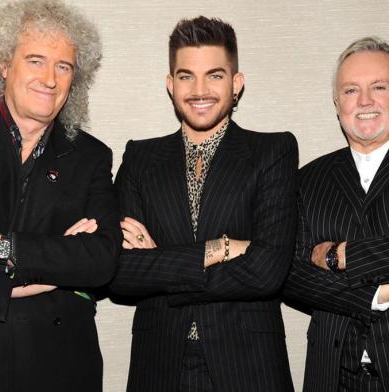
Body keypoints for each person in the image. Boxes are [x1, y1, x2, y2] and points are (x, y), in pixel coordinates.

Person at [110, 16, 298, 392]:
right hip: (159, 363)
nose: (199, 90)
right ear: (170, 84)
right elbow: (120, 273)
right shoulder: (140, 158)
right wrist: (223, 248)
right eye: (185, 76)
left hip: (249, 363)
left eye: (214, 75)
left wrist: (160, 263)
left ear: (236, 84)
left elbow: (268, 271)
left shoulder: (272, 151)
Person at [0, 1, 121, 391]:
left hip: (59, 365)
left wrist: (6, 248)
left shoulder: (91, 156)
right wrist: (55, 268)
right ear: (4, 65)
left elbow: (101, 261)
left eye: (63, 66)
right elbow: (76, 262)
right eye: (35, 60)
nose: (49, 79)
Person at [284, 36, 389, 392]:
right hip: (330, 376)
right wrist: (377, 296)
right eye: (350, 91)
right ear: (336, 103)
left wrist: (341, 255)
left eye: (379, 87)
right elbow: (289, 272)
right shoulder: (307, 179)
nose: (364, 102)